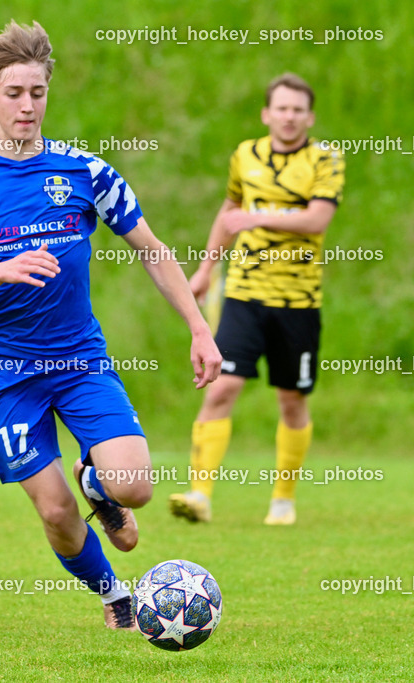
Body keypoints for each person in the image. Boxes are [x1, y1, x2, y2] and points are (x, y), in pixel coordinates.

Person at [0, 21, 221, 629]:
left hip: (78, 359)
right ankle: (116, 596)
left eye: (37, 91)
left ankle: (100, 483)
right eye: (13, 93)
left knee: (135, 487)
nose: (27, 106)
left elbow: (152, 248)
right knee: (57, 513)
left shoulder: (86, 172)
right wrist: (0, 270)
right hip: (5, 372)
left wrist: (199, 329)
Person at [168, 73, 344, 526]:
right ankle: (199, 494)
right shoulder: (245, 155)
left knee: (291, 400)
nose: (289, 116)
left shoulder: (326, 158)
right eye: (281, 108)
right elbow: (228, 215)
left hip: (298, 301)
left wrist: (256, 215)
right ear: (267, 113)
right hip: (244, 295)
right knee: (222, 385)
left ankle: (283, 500)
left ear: (310, 116)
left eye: (298, 109)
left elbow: (317, 219)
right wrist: (207, 269)